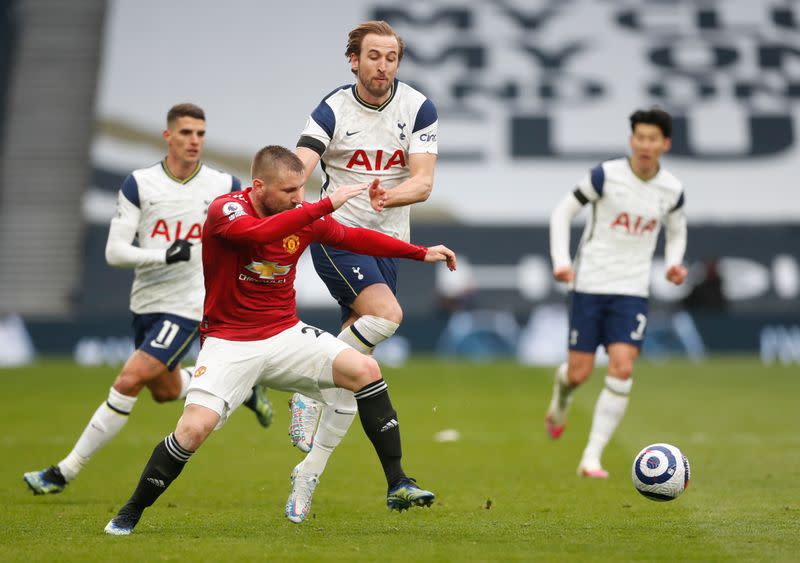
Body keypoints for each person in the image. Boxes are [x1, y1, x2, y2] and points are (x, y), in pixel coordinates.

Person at [103, 145, 457, 534]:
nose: (298, 198)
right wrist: (321, 207)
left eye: (302, 189)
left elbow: (356, 238)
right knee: (192, 431)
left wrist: (420, 252)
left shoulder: (299, 215)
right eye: (289, 191)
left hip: (286, 334)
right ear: (259, 186)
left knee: (365, 369)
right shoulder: (228, 210)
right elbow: (257, 234)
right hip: (229, 343)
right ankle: (131, 511)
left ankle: (397, 482)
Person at [23, 103, 273, 495]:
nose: (194, 141)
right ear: (168, 136)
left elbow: (250, 236)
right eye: (187, 132)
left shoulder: (224, 185)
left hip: (192, 304)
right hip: (147, 303)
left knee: (129, 379)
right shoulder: (139, 184)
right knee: (166, 390)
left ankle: (63, 472)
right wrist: (163, 254)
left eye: (201, 134)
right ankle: (243, 389)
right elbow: (115, 252)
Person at [286, 20, 439, 522]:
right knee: (387, 314)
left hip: (388, 242)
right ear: (353, 60)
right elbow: (299, 168)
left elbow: (423, 182)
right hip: (337, 235)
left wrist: (387, 196)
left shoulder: (418, 108)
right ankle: (310, 385)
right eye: (373, 56)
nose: (383, 66)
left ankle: (307, 475)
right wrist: (288, 199)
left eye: (391, 57)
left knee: (353, 374)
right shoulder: (332, 109)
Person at [545, 107, 688, 478]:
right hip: (590, 283)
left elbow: (676, 231)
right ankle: (561, 396)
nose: (645, 144)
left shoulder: (671, 190)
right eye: (639, 137)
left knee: (622, 368)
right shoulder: (605, 176)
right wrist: (562, 261)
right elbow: (562, 212)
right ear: (632, 140)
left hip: (632, 290)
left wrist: (674, 263)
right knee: (579, 373)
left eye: (652, 139)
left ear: (664, 144)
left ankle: (591, 457)